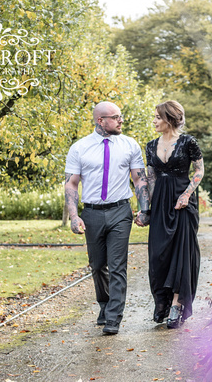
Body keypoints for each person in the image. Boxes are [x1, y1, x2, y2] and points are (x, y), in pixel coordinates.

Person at [65, 101, 150, 335]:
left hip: (120, 212)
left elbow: (139, 179)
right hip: (91, 212)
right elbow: (72, 183)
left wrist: (145, 208)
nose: (121, 120)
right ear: (100, 120)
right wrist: (74, 216)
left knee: (117, 266)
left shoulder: (130, 145)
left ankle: (114, 317)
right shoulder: (79, 148)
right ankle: (104, 304)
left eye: (121, 116)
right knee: (97, 265)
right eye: (116, 117)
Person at [145, 100, 204, 329]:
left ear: (169, 119)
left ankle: (177, 305)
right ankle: (163, 301)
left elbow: (199, 170)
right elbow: (150, 178)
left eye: (158, 117)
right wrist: (148, 208)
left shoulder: (189, 142)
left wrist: (187, 194)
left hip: (183, 201)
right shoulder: (150, 146)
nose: (154, 121)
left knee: (182, 254)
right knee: (159, 255)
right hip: (160, 201)